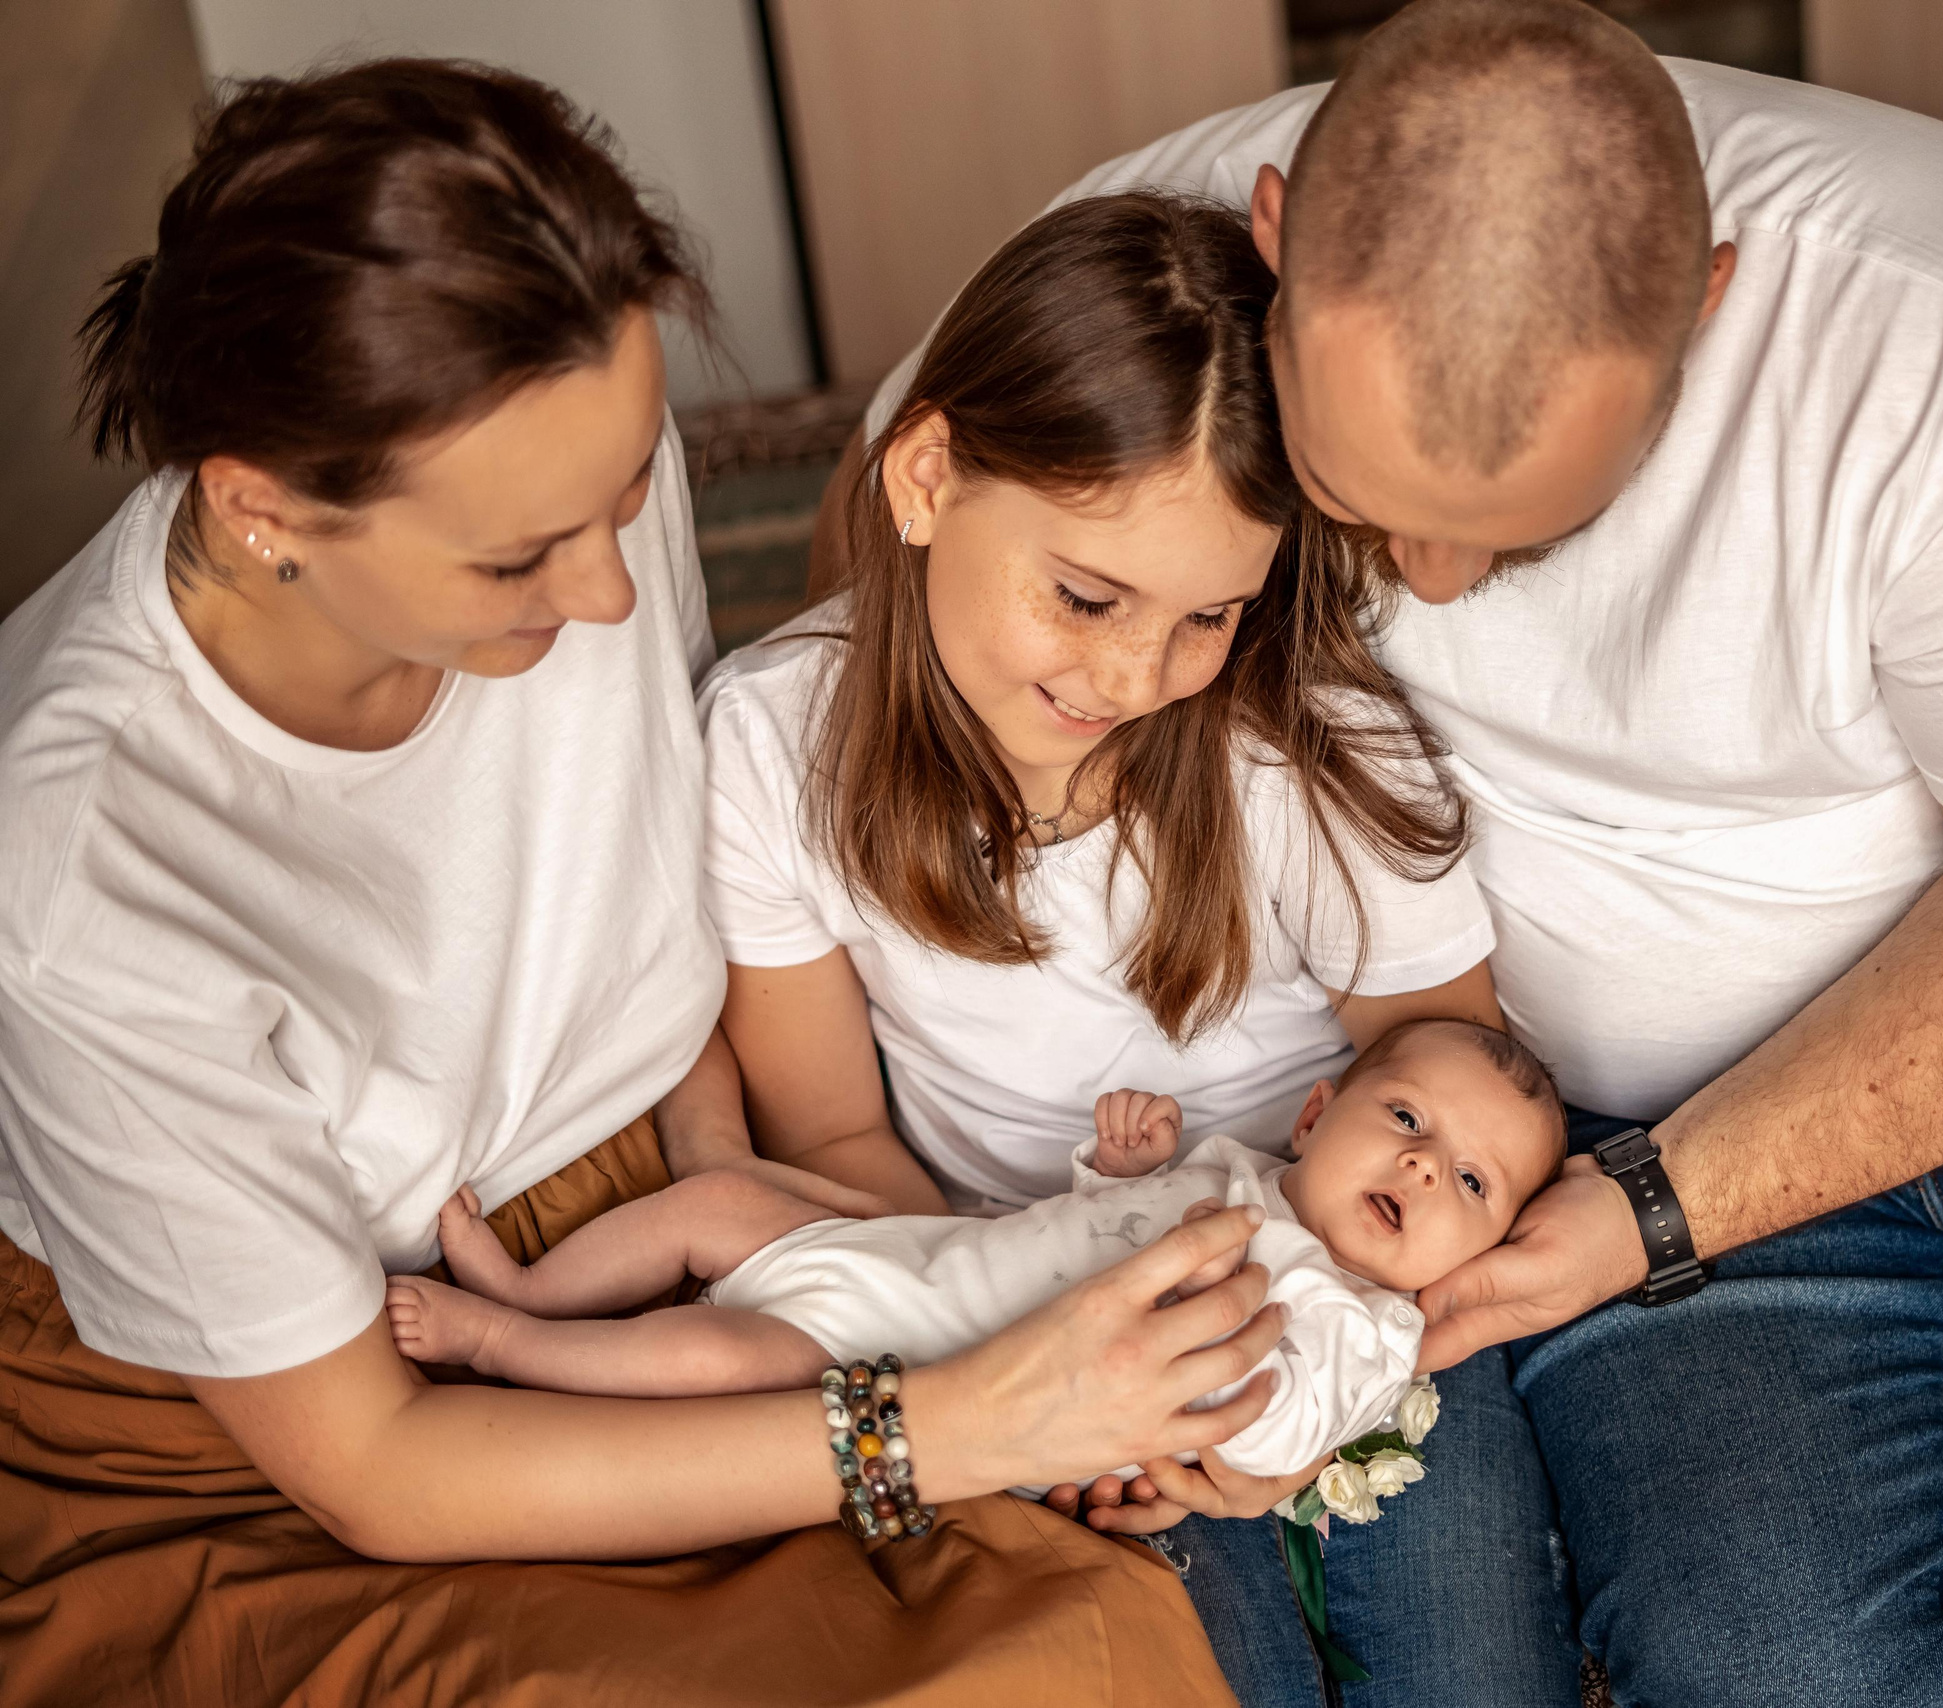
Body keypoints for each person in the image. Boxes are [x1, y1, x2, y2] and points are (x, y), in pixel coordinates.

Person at [858, 3, 1943, 1704]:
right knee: (1772, 1666)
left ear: (1711, 305)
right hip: (1615, 1113)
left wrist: (1649, 1215)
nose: (1431, 585)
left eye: (1525, 526)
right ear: (1278, 240)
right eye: (1358, 497)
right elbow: (903, 587)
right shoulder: (1133, 268)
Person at [0, 61, 1277, 1708]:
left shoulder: (571, 469)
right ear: (259, 512)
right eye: (524, 555)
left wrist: (749, 1194)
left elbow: (623, 868)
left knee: (1083, 1650)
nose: (610, 596)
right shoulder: (84, 877)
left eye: (622, 497)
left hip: (654, 1215)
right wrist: (956, 1420)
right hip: (298, 1413)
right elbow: (380, 1469)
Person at [680, 189, 1524, 1530]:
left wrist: (1314, 1378)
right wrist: (1046, 1369)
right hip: (1008, 1297)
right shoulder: (773, 744)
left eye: (1208, 615)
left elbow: (1456, 1077)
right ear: (925, 481)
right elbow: (833, 1127)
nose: (1139, 677)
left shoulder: (1295, 744)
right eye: (1085, 596)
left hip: (1335, 1303)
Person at [387, 1018, 1566, 1495]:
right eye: (1407, 1121)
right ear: (1314, 1118)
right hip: (912, 1253)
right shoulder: (1242, 1174)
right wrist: (1121, 1168)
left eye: (1469, 1182)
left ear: (1483, 1244)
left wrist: (1221, 1357)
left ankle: (511, 1340)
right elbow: (1086, 1226)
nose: (1422, 1167)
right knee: (717, 1202)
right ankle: (530, 1280)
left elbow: (1276, 1429)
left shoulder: (1364, 1324)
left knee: (709, 1354)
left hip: (909, 1356)